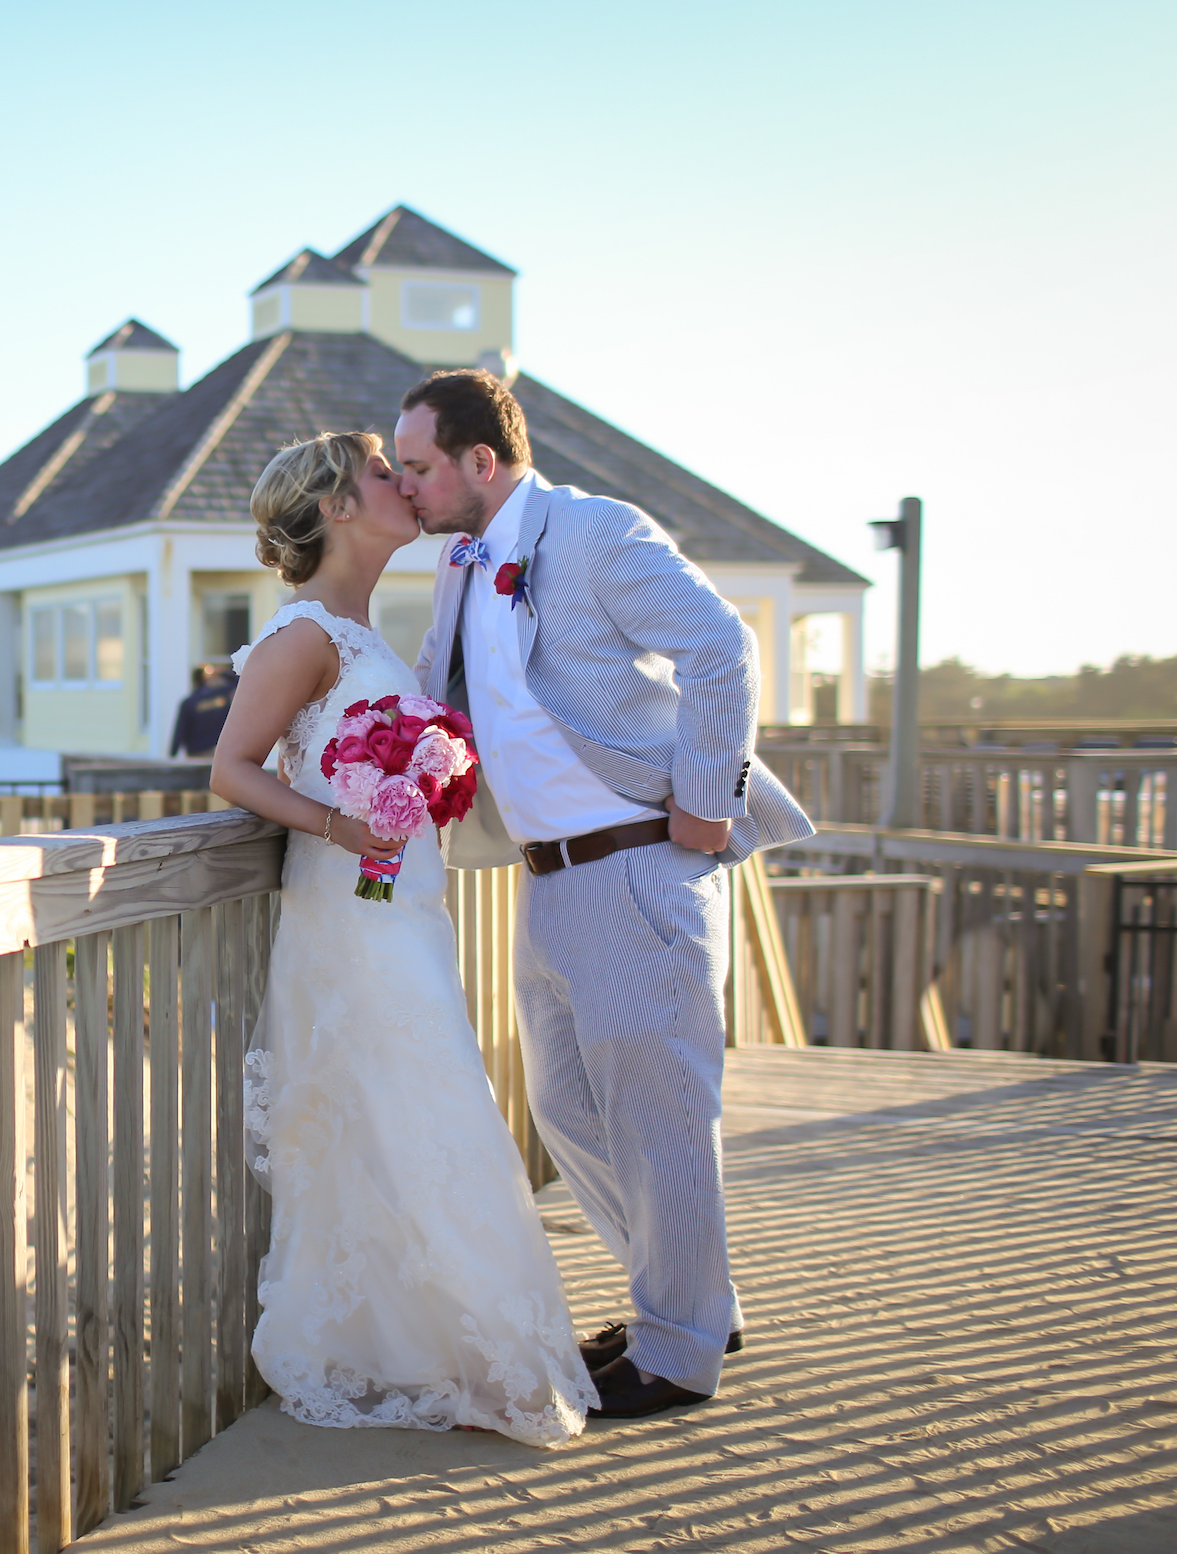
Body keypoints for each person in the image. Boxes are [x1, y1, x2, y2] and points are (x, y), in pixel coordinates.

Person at [395, 369, 814, 1420]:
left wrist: (710, 803)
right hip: (546, 878)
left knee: (659, 1111)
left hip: (634, 865)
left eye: (418, 465)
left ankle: (678, 1352)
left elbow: (724, 648)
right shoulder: (461, 562)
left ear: (480, 462)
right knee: (569, 1108)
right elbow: (450, 703)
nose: (407, 485)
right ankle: (692, 1301)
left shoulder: (591, 533)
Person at [209, 430, 596, 1448]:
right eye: (386, 472)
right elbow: (234, 769)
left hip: (403, 910)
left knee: (413, 1113)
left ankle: (418, 1347)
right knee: (420, 1109)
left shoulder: (372, 631)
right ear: (338, 506)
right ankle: (469, 1356)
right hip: (349, 914)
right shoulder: (306, 638)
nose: (406, 484)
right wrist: (346, 826)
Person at [169, 663, 239, 757]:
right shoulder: (223, 696)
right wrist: (221, 672)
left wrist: (172, 755)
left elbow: (180, 731)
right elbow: (238, 682)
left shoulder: (189, 703)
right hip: (219, 751)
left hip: (196, 753)